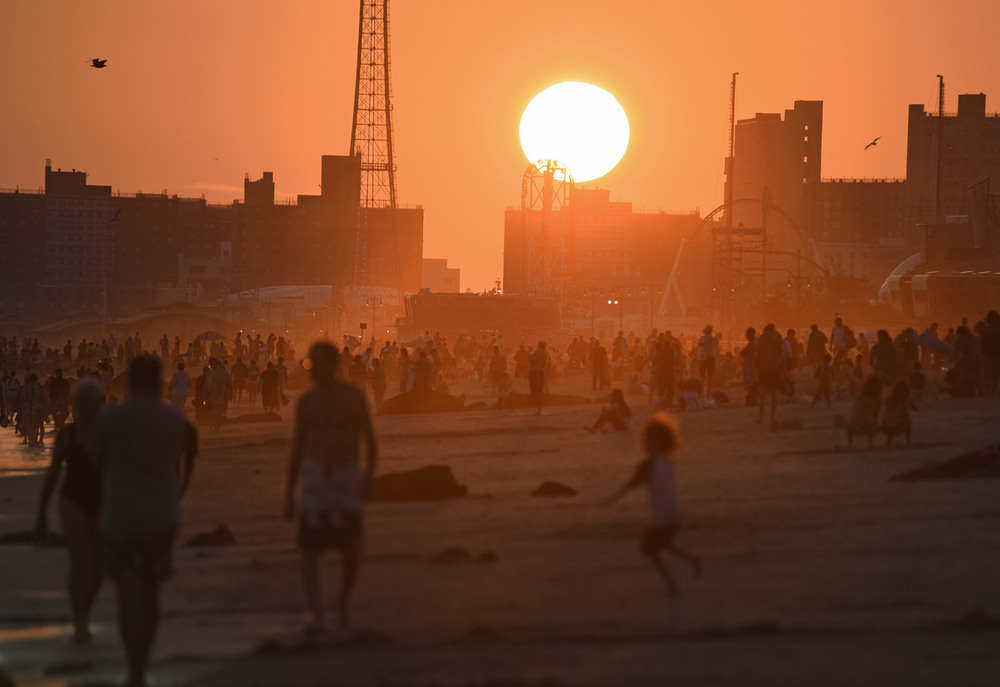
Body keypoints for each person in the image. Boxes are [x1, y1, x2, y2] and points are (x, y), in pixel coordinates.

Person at [91, 356, 198, 687]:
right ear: (160, 382)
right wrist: (181, 488)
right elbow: (191, 450)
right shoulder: (174, 420)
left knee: (127, 593)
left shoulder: (111, 421)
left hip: (121, 516)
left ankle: (134, 668)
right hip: (161, 516)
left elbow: (96, 464)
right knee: (150, 592)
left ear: (130, 381)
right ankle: (143, 661)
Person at [284, 343, 377, 633]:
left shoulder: (352, 397)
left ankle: (342, 604)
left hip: (346, 476)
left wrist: (368, 477)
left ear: (333, 364)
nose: (312, 370)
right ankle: (315, 611)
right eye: (310, 364)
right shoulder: (307, 402)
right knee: (311, 550)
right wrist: (289, 492)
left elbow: (370, 440)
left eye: (317, 364)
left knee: (350, 549)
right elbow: (298, 447)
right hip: (316, 479)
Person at [34, 378, 106, 643]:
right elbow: (53, 474)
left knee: (98, 567)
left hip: (103, 502)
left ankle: (83, 612)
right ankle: (80, 623)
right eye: (82, 402)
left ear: (100, 403)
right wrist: (41, 512)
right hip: (72, 501)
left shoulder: (107, 432)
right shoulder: (67, 434)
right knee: (80, 563)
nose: (86, 407)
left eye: (91, 402)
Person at [604, 412, 701, 594]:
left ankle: (673, 584)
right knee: (660, 545)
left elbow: (632, 484)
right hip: (675, 511)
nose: (643, 444)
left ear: (654, 442)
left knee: (649, 549)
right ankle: (691, 561)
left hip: (662, 515)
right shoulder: (669, 461)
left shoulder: (648, 464)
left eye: (645, 440)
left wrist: (611, 499)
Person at [755, 324, 783, 426]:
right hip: (764, 370)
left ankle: (772, 417)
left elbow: (780, 351)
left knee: (773, 395)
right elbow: (757, 356)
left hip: (773, 370)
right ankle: (761, 417)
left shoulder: (775, 341)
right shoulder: (761, 341)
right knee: (762, 394)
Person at [847, 376, 882, 448]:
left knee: (848, 422)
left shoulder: (858, 397)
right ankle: (870, 440)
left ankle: (850, 442)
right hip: (871, 427)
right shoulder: (878, 400)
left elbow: (854, 411)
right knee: (879, 423)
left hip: (857, 427)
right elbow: (876, 414)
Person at [881, 381, 917, 446]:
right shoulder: (906, 399)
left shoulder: (889, 399)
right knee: (907, 418)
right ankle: (908, 440)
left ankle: (889, 438)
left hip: (885, 427)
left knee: (893, 416)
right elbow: (915, 409)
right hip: (896, 427)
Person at [528, 340, 548, 415]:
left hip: (535, 372)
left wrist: (529, 356)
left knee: (537, 392)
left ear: (539, 346)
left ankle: (539, 410)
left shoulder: (539, 352)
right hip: (539, 371)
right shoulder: (545, 353)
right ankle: (539, 409)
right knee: (539, 391)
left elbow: (532, 360)